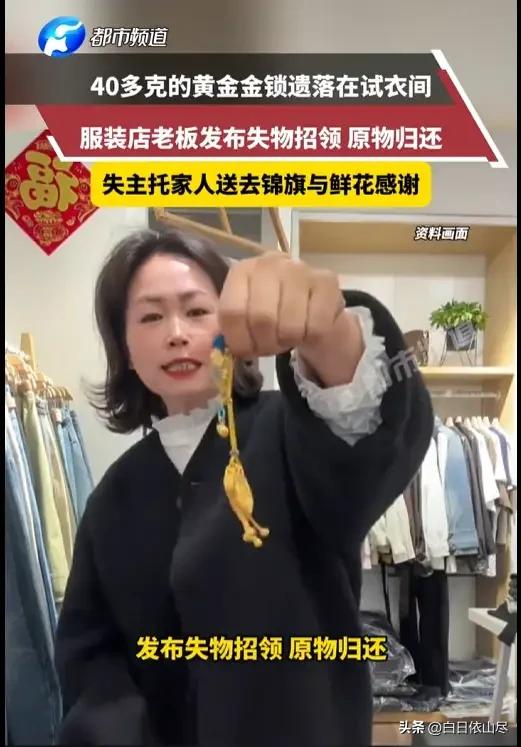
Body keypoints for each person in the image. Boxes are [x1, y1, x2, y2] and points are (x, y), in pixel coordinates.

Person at [55, 228, 433, 746]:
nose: (176, 333)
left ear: (233, 321)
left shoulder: (298, 433)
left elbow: (369, 446)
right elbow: (90, 655)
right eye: (150, 317)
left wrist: (330, 332)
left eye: (196, 310)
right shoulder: (113, 497)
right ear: (125, 345)